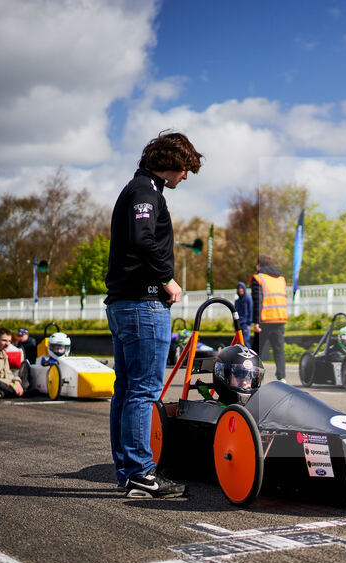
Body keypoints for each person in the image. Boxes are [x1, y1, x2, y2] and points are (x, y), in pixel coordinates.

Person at [105, 131, 203, 499]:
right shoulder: (145, 192)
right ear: (170, 164)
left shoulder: (139, 189)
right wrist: (168, 280)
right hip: (143, 304)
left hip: (124, 303)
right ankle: (141, 474)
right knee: (142, 392)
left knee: (127, 391)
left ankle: (129, 472)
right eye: (184, 170)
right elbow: (142, 239)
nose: (185, 178)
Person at [251, 255, 288, 383]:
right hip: (279, 318)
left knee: (256, 351)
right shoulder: (281, 279)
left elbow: (257, 302)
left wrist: (256, 322)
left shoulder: (258, 278)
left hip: (264, 320)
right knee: (279, 350)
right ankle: (282, 377)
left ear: (259, 266)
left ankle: (253, 376)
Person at [234, 281, 253, 348]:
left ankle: (249, 356)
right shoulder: (237, 301)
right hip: (238, 324)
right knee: (238, 342)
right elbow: (235, 313)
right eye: (239, 288)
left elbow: (251, 311)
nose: (240, 290)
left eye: (242, 288)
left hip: (245, 324)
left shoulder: (248, 299)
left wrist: (249, 324)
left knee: (245, 341)